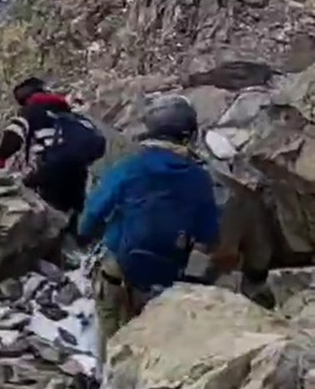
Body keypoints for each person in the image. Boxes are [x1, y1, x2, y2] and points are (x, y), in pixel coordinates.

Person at [75, 94, 219, 362]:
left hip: (119, 268)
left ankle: (107, 371)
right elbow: (209, 235)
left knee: (112, 335)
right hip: (166, 277)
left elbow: (92, 214)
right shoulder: (199, 179)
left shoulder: (130, 167)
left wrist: (85, 235)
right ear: (188, 135)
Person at [0, 77, 105, 233]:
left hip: (49, 172)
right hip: (78, 173)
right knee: (72, 218)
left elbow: (13, 137)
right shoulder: (69, 113)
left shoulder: (31, 111)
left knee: (48, 223)